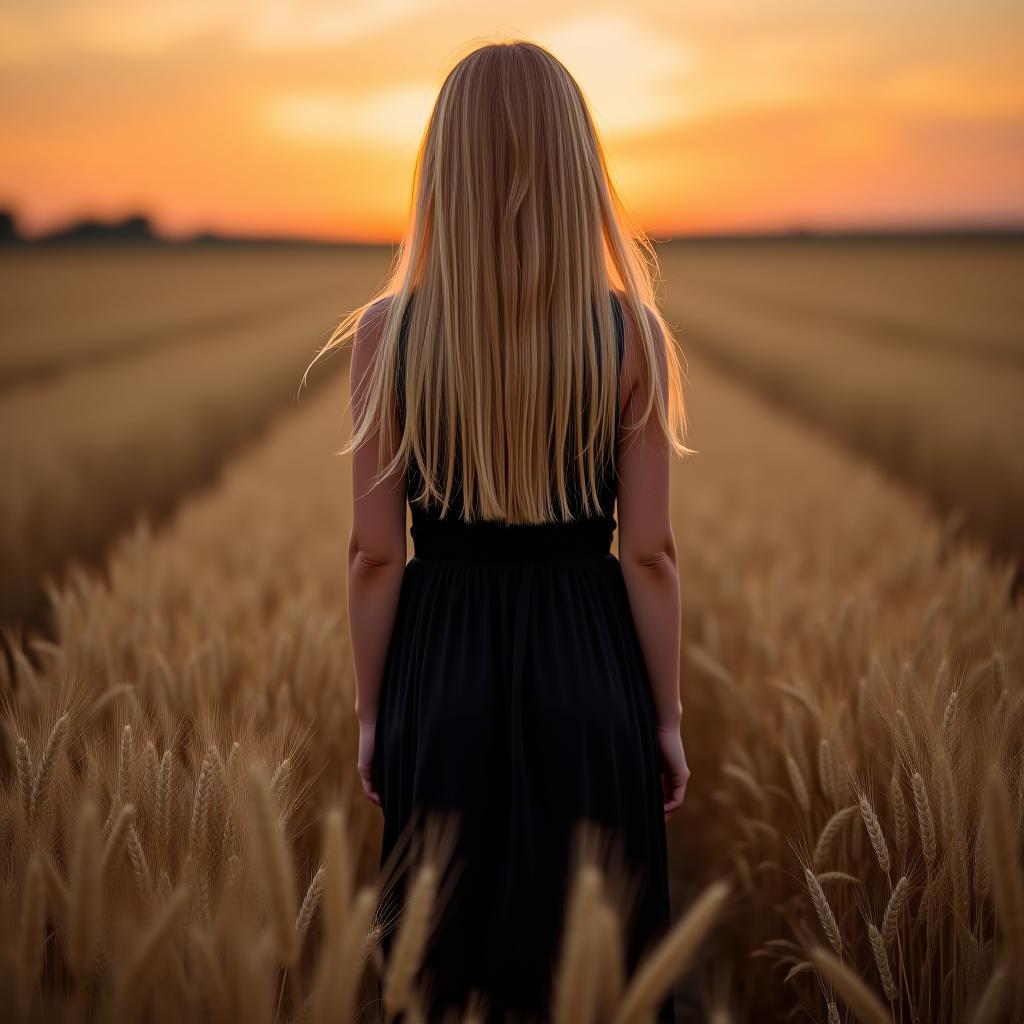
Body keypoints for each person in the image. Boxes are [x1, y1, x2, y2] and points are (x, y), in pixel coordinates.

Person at [312, 38, 694, 1023]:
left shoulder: (385, 335)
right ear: (578, 168)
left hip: (440, 673)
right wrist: (662, 718)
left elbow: (374, 552)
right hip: (591, 667)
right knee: (600, 972)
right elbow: (647, 553)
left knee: (440, 975)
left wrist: (372, 713)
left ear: (442, 167)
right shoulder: (632, 336)